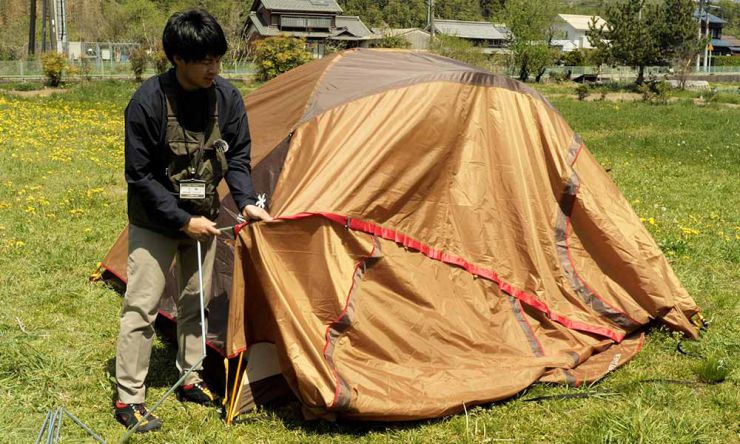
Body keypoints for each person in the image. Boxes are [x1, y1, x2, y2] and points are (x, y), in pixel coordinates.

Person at [114, 9, 272, 433]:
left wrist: (246, 201)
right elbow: (140, 176)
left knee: (193, 303)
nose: (214, 69)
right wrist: (182, 222)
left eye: (218, 60)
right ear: (178, 59)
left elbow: (238, 158)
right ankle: (129, 397)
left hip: (203, 217)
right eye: (205, 61)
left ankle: (190, 377)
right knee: (142, 306)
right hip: (156, 220)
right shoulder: (147, 102)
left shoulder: (227, 98)